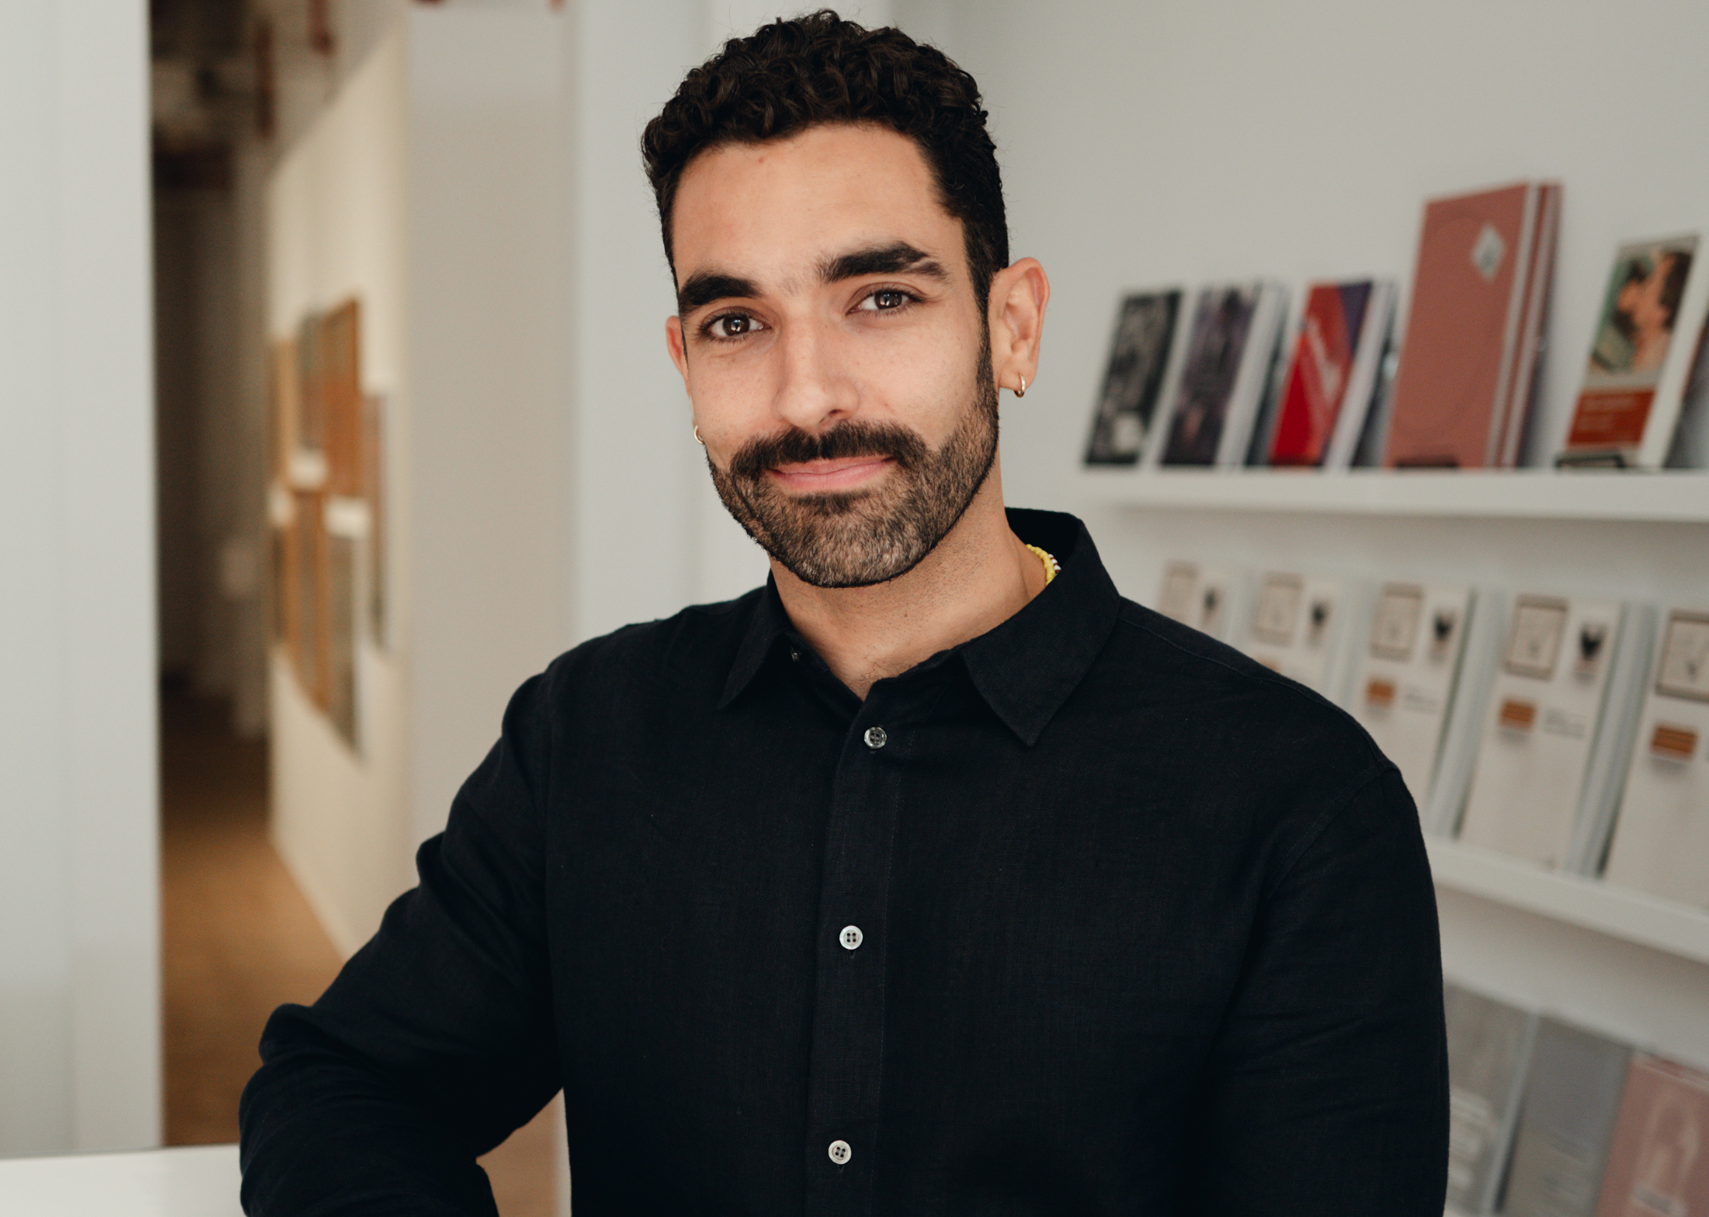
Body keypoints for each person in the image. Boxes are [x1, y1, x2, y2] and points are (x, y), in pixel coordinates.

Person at [239, 14, 1445, 1215]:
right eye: (735, 322)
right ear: (683, 359)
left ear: (1011, 324)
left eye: (879, 297)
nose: (804, 394)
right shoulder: (588, 733)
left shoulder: (1297, 801)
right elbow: (342, 1082)